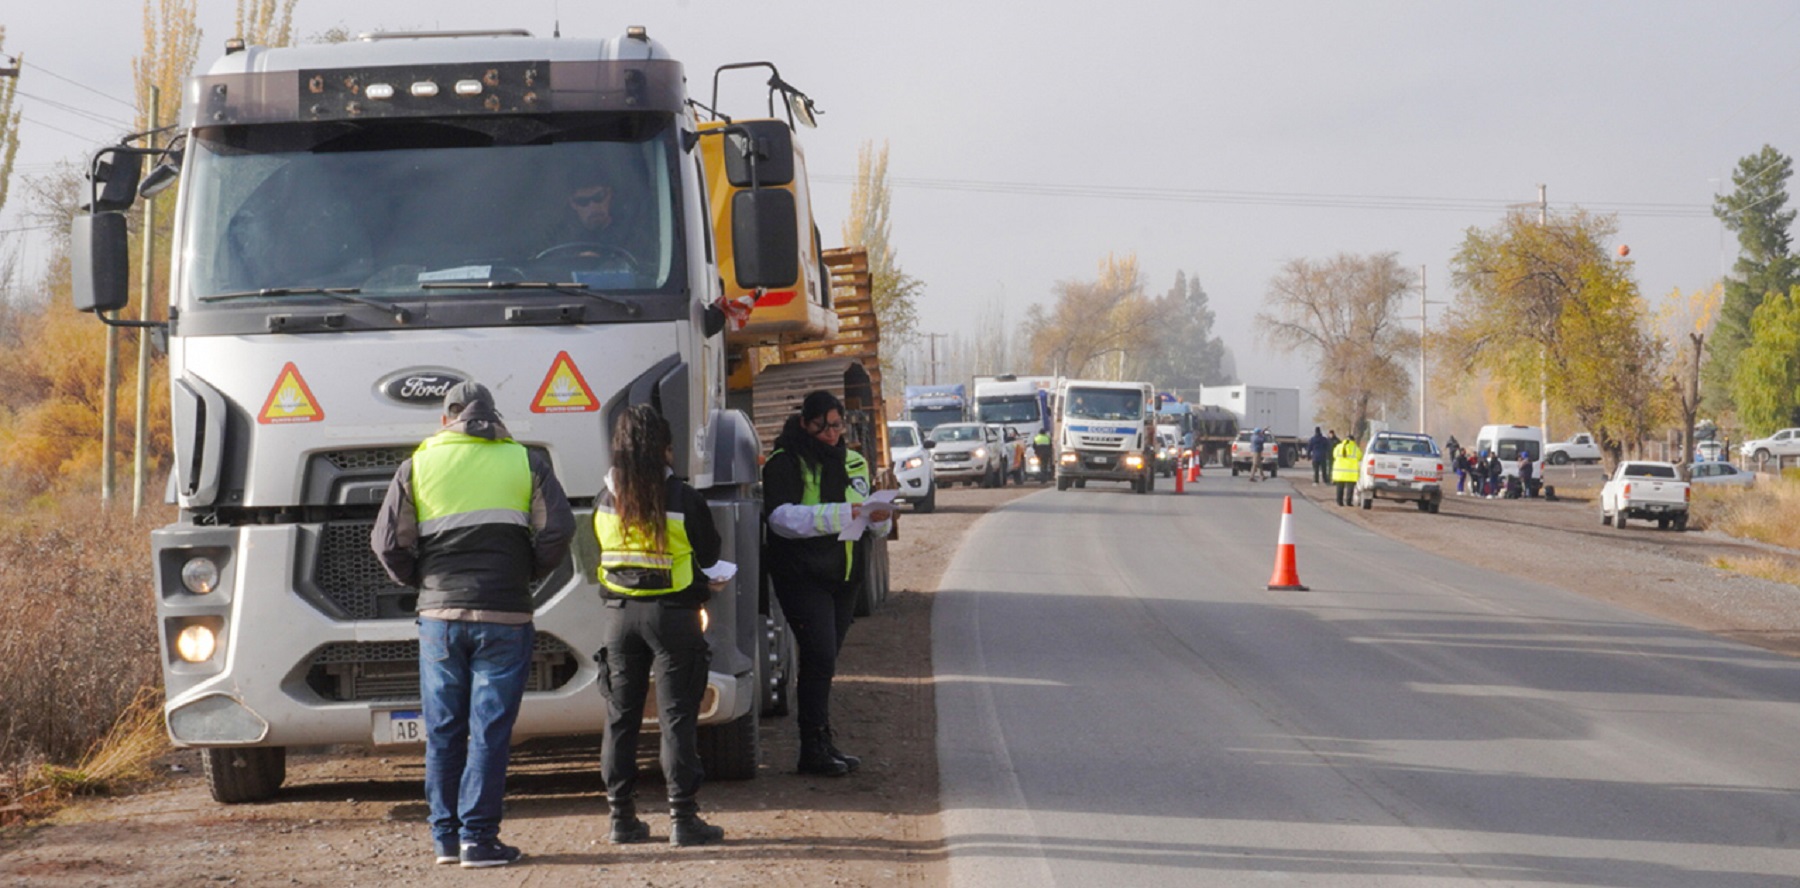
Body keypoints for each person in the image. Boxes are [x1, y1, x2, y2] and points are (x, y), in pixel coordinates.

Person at [371, 382, 575, 868]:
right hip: (506, 614)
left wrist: (422, 580)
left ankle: (445, 839)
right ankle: (478, 840)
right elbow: (559, 529)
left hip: (440, 619)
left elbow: (386, 543)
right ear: (493, 416)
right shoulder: (525, 462)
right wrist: (526, 572)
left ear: (448, 419)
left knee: (443, 728)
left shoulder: (417, 464)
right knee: (489, 730)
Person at [593, 405, 728, 847]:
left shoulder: (604, 497)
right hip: (673, 617)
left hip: (619, 618)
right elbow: (708, 556)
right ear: (666, 449)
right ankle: (683, 820)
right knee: (676, 720)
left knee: (620, 719)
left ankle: (621, 819)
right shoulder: (684, 499)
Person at [763, 391, 894, 777]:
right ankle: (811, 747)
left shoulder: (852, 460)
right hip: (803, 575)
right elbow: (781, 519)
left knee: (825, 662)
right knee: (818, 656)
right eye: (824, 426)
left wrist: (880, 517)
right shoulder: (784, 462)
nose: (832, 434)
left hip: (844, 577)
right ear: (806, 422)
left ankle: (822, 741)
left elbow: (872, 520)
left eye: (837, 426)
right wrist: (844, 513)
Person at [1331, 430, 1362, 507]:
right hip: (1351, 472)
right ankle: (1348, 502)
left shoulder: (1338, 447)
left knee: (1339, 487)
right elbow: (1360, 457)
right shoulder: (1355, 448)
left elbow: (1334, 455)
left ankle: (1339, 501)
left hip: (1339, 472)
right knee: (1350, 488)